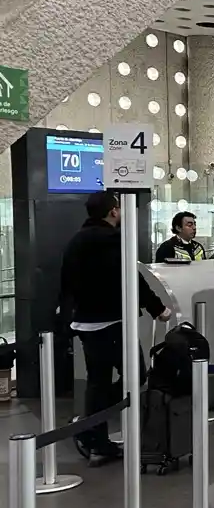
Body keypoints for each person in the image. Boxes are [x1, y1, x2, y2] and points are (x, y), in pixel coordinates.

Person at [58, 192, 171, 464]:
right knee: (136, 375)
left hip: (84, 322)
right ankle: (88, 426)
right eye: (118, 207)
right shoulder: (112, 239)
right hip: (110, 322)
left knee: (98, 380)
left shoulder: (76, 240)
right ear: (112, 211)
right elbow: (131, 277)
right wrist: (158, 308)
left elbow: (66, 280)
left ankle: (97, 440)